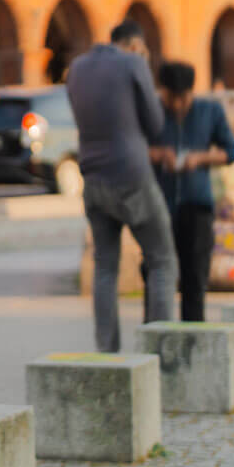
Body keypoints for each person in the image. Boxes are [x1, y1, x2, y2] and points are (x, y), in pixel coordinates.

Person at [64, 19, 178, 351]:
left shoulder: (77, 68)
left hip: (93, 177)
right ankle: (159, 351)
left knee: (104, 266)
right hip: (131, 175)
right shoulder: (132, 63)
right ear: (134, 45)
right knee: (161, 258)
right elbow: (155, 123)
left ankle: (107, 353)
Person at [153, 61, 234, 323]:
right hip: (159, 203)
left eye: (183, 98)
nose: (177, 105)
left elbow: (230, 152)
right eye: (171, 98)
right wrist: (158, 155)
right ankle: (157, 338)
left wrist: (199, 159)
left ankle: (193, 340)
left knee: (195, 279)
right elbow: (132, 148)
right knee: (156, 276)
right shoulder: (153, 112)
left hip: (197, 205)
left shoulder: (209, 112)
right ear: (162, 91)